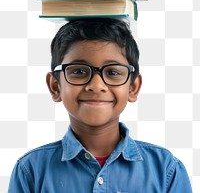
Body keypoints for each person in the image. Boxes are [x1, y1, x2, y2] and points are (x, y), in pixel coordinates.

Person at [8, 18, 192, 192]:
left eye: (112, 72)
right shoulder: (30, 170)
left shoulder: (166, 170)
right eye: (79, 71)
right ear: (55, 86)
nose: (96, 86)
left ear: (133, 87)